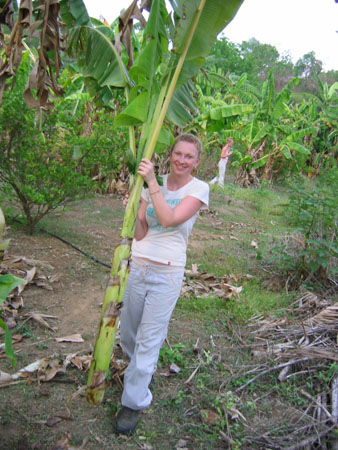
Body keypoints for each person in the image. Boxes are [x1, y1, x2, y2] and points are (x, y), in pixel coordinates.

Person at [116, 133, 209, 435]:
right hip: (138, 266)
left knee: (149, 339)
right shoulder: (151, 182)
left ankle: (133, 402)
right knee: (128, 333)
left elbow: (169, 220)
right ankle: (139, 372)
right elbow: (142, 232)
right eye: (178, 154)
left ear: (197, 162)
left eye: (189, 157)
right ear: (171, 154)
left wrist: (151, 183)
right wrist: (133, 211)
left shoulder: (199, 189)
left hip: (167, 274)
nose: (182, 160)